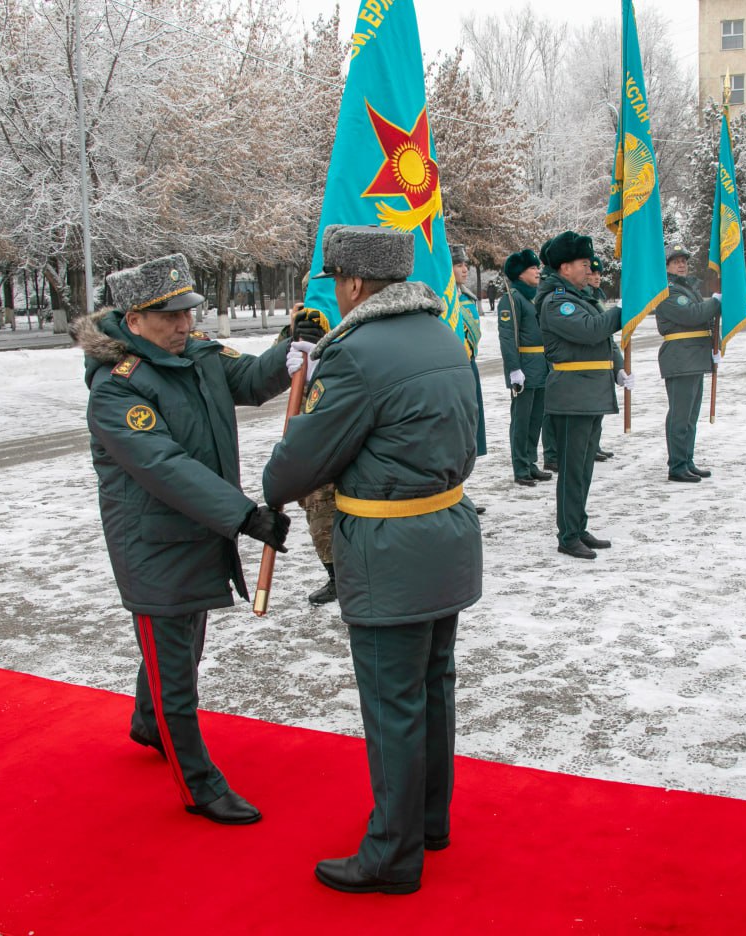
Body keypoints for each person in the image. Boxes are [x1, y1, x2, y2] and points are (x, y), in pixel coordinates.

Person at [262, 225, 482, 895]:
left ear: (356, 283)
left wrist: (284, 459)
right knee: (433, 687)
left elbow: (295, 470)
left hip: (390, 548)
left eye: (336, 281)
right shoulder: (442, 334)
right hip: (445, 535)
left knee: (393, 704)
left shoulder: (354, 354)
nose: (335, 292)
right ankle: (429, 822)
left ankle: (392, 853)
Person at [72, 253, 299, 825]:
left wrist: (290, 346)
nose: (184, 325)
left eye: (188, 313)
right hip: (154, 544)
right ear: (133, 319)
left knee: (183, 646)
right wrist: (244, 516)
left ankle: (149, 723)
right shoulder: (116, 388)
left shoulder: (197, 354)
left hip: (199, 529)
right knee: (175, 667)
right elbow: (164, 466)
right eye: (169, 316)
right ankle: (199, 786)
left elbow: (251, 379)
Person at [537, 230, 629, 560]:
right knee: (573, 470)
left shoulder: (580, 298)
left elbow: (603, 340)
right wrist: (622, 311)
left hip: (590, 392)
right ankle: (568, 534)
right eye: (583, 263)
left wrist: (617, 367)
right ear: (564, 267)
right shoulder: (557, 303)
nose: (589, 268)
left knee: (584, 468)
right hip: (573, 395)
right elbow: (591, 331)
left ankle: (578, 526)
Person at [276, 303, 338, 605]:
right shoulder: (301, 326)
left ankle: (344, 576)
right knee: (315, 505)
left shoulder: (346, 320)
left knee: (327, 505)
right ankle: (335, 575)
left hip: (333, 427)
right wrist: (290, 336)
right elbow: (275, 369)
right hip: (306, 431)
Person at [654, 245, 720, 483]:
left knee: (690, 417)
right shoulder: (667, 291)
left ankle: (687, 460)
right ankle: (677, 465)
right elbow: (692, 315)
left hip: (694, 357)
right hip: (680, 358)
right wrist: (715, 302)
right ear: (666, 267)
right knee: (680, 416)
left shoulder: (687, 289)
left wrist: (716, 346)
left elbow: (705, 320)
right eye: (675, 262)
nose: (681, 265)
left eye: (684, 261)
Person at [497, 248, 552, 486]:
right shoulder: (511, 299)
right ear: (520, 273)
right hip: (524, 368)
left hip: (541, 366)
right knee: (521, 420)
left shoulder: (534, 297)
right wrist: (514, 369)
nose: (537, 271)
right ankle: (520, 467)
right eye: (532, 268)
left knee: (536, 419)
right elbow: (507, 337)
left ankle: (530, 462)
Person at [452, 243, 487, 516]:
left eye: (465, 264)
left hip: (469, 367)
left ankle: (461, 491)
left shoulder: (467, 298)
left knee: (468, 433)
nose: (464, 269)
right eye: (458, 264)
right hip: (450, 371)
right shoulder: (442, 299)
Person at [585, 255, 620, 463]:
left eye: (599, 273)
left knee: (598, 411)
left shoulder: (597, 297)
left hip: (602, 361)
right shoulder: (584, 298)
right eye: (592, 273)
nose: (597, 277)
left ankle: (594, 444)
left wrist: (619, 365)